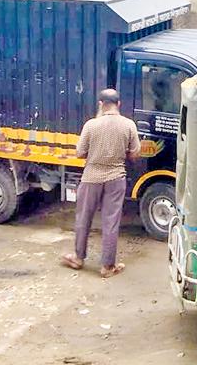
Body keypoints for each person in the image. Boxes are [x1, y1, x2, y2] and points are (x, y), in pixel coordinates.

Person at [61, 89, 140, 278]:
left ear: (100, 104)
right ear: (118, 104)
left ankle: (78, 258)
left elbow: (79, 153)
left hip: (91, 178)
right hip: (116, 177)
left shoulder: (91, 125)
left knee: (83, 218)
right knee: (111, 222)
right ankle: (107, 266)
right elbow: (135, 154)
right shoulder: (129, 125)